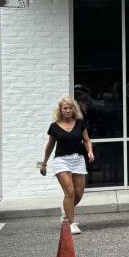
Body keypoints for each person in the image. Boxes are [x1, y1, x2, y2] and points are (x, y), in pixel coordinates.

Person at [39, 96, 95, 235]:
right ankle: (71, 223)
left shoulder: (80, 123)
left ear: (74, 109)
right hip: (61, 161)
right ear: (60, 110)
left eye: (70, 108)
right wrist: (44, 163)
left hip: (78, 160)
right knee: (69, 192)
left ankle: (66, 210)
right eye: (65, 108)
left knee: (79, 194)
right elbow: (50, 146)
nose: (68, 110)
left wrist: (90, 151)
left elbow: (87, 140)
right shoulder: (54, 126)